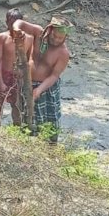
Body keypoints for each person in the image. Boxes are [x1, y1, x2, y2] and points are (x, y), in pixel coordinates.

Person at [12, 15, 74, 143]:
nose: (56, 40)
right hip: (28, 83)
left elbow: (54, 76)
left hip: (47, 88)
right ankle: (28, 144)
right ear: (49, 30)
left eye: (60, 38)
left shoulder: (63, 53)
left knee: (50, 121)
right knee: (27, 116)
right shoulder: (38, 33)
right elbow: (19, 22)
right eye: (54, 36)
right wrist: (17, 30)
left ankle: (50, 148)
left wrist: (39, 90)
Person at [0, 8, 33, 128]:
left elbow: (29, 60)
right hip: (2, 75)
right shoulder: (2, 37)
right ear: (6, 22)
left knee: (17, 109)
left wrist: (24, 74)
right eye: (10, 23)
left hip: (18, 78)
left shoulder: (29, 39)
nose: (13, 26)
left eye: (16, 23)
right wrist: (0, 81)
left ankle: (16, 135)